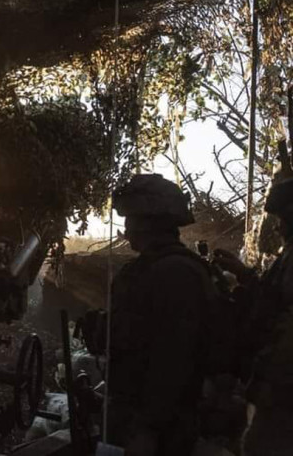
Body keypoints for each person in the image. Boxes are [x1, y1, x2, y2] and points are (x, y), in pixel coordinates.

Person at [108, 174, 216, 456]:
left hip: (162, 426)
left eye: (130, 219)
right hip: (139, 414)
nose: (126, 229)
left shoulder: (175, 273)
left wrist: (149, 429)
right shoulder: (152, 269)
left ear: (147, 222)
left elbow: (173, 358)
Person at [211, 162, 293, 456]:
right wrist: (242, 274)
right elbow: (271, 298)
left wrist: (271, 383)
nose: (279, 227)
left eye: (284, 219)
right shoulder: (287, 257)